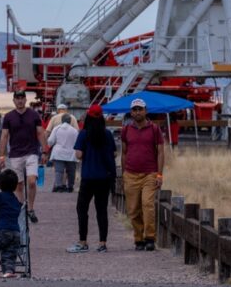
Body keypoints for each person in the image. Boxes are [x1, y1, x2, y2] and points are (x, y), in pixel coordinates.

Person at [67, 105, 116, 253]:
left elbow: (78, 155)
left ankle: (83, 241)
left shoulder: (84, 134)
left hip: (88, 177)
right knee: (101, 210)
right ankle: (102, 243)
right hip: (104, 178)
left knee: (82, 209)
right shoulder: (107, 134)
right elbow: (113, 154)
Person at [121, 97, 164, 251]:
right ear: (131, 113)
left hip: (149, 174)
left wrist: (159, 174)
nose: (137, 112)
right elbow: (124, 153)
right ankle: (138, 238)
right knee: (133, 209)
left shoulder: (154, 129)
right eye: (134, 109)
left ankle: (150, 237)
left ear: (146, 111)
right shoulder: (126, 130)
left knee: (148, 205)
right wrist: (124, 173)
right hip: (131, 174)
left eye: (140, 109)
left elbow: (160, 152)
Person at [0, 91, 45, 223]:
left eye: (22, 98)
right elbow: (4, 136)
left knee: (31, 181)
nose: (19, 101)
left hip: (31, 152)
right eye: (17, 98)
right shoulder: (8, 117)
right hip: (15, 154)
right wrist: (1, 156)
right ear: (14, 101)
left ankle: (30, 208)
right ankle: (22, 207)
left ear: (25, 100)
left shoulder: (34, 115)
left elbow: (40, 133)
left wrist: (45, 151)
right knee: (18, 185)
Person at [47, 113, 78, 192]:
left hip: (58, 153)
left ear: (62, 120)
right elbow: (77, 143)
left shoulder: (57, 128)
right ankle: (70, 186)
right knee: (71, 171)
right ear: (70, 121)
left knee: (59, 171)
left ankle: (59, 186)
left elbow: (50, 141)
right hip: (71, 154)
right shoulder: (74, 131)